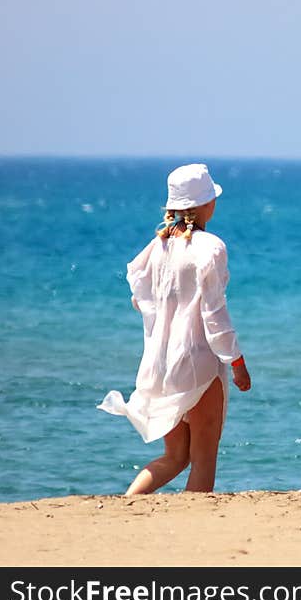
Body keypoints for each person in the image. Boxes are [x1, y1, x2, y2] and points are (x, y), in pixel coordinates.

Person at [98, 163, 252, 495]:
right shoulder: (210, 248)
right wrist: (237, 363)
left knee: (175, 455)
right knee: (204, 458)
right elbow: (214, 314)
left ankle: (126, 506)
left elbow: (140, 298)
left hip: (162, 365)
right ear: (205, 205)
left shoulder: (158, 247)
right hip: (198, 363)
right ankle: (194, 528)